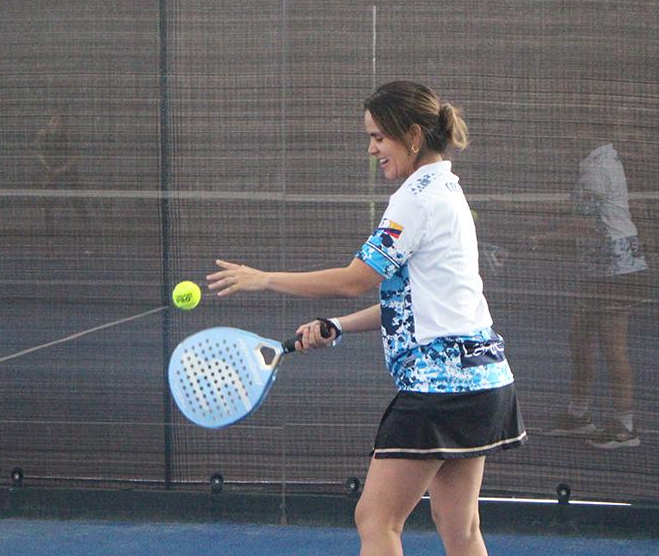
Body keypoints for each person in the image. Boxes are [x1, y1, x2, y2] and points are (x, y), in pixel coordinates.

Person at [207, 81, 525, 556]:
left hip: (438, 389)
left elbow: (355, 279)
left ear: (412, 136)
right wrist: (339, 325)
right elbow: (418, 303)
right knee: (459, 527)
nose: (371, 149)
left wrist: (264, 278)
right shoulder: (448, 190)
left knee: (376, 520)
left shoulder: (415, 199)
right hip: (485, 382)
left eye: (379, 137)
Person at [534, 123, 648, 449]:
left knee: (613, 346)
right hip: (599, 268)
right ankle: (578, 416)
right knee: (580, 338)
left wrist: (542, 238)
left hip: (616, 269)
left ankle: (625, 426)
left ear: (588, 132)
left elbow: (586, 226)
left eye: (574, 130)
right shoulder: (598, 161)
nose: (567, 136)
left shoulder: (596, 169)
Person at [35, 112, 89, 240]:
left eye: (59, 121)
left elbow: (75, 156)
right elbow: (40, 153)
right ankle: (49, 235)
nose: (57, 124)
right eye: (53, 121)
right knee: (47, 202)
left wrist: (61, 169)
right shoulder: (43, 135)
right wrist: (49, 168)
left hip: (68, 172)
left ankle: (88, 230)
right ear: (48, 123)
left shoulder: (69, 136)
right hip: (50, 171)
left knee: (76, 200)